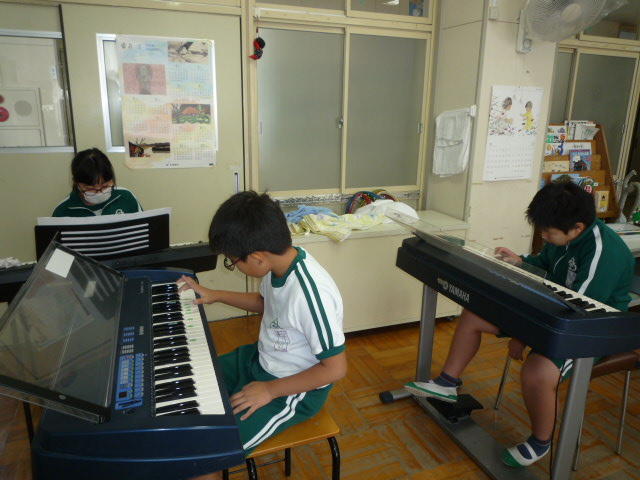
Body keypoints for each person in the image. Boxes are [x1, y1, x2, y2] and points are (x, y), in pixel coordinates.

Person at [404, 181, 634, 468]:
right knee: (474, 314)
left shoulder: (602, 252)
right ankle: (447, 383)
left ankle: (541, 441)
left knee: (537, 373)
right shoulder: (565, 237)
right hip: (551, 313)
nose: (544, 236)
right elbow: (543, 265)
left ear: (577, 227)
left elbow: (578, 312)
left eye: (548, 232)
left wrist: (524, 336)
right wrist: (520, 262)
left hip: (592, 330)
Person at [179, 191, 346, 470]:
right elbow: (264, 303)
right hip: (261, 359)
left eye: (232, 261)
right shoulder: (277, 266)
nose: (233, 266)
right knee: (194, 377)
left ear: (257, 257)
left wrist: (270, 390)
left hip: (292, 390)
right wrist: (215, 295)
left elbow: (335, 369)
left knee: (208, 454)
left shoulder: (309, 294)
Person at [52, 148, 142, 217]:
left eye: (105, 186)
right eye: (91, 189)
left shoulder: (126, 198)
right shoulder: (62, 211)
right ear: (77, 183)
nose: (99, 192)